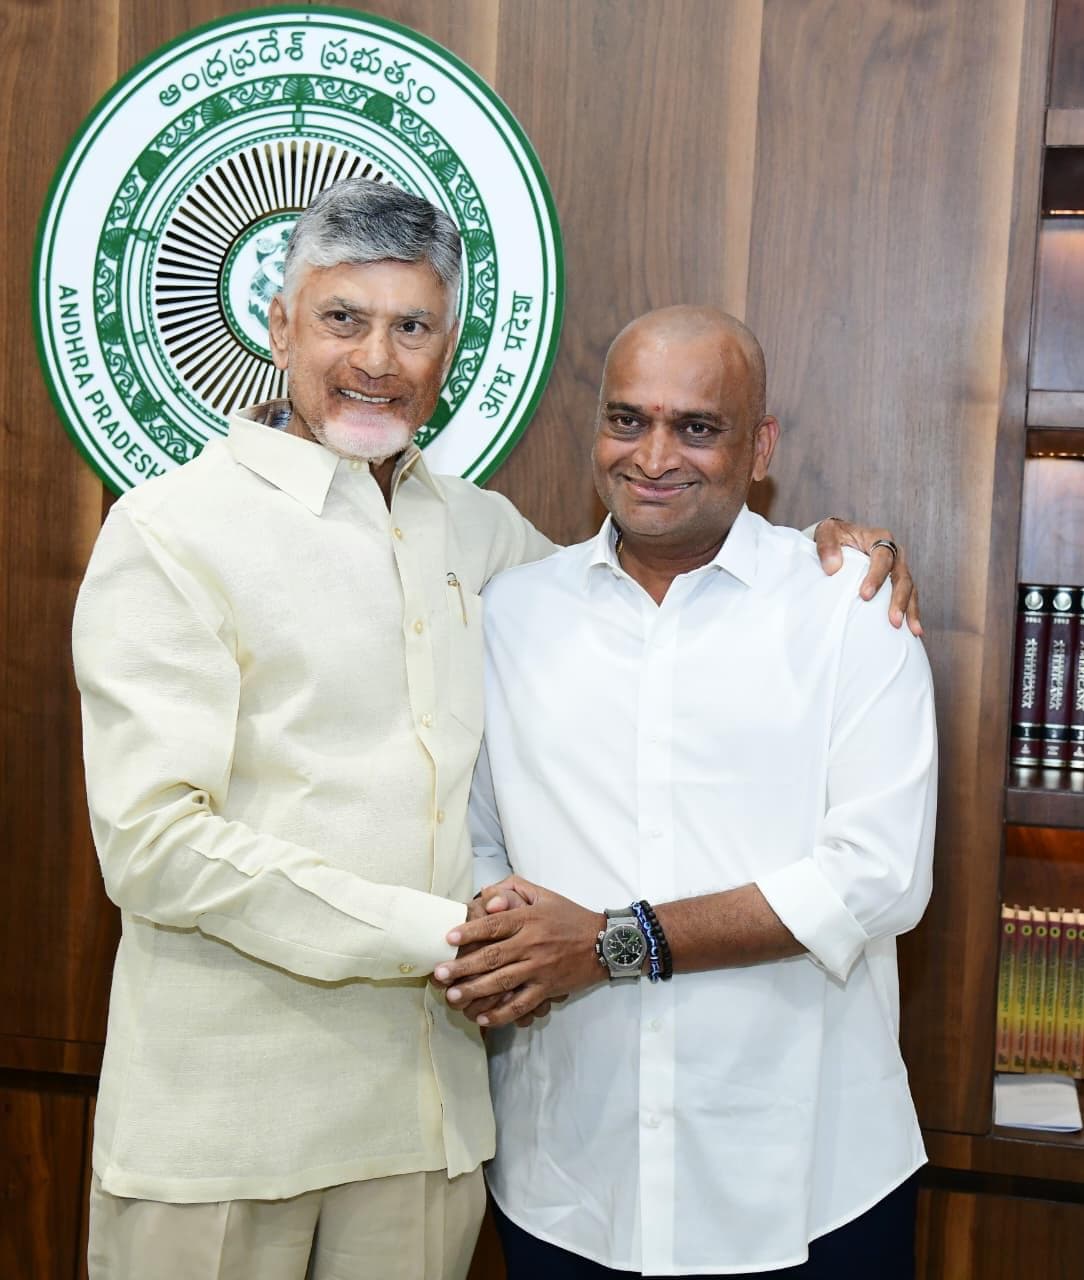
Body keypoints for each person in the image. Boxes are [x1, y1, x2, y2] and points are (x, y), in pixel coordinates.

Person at [72, 178, 917, 1280]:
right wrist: (456, 935)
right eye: (342, 318)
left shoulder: (489, 542)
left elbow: (659, 569)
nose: (377, 358)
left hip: (432, 1126)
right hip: (231, 1119)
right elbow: (152, 844)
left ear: (448, 350)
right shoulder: (170, 532)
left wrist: (824, 550)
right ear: (278, 325)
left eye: (412, 326)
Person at [435, 307, 937, 1278]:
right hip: (569, 1179)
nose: (652, 454)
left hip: (809, 1184)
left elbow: (874, 879)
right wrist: (505, 929)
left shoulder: (848, 605)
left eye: (695, 427)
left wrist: (608, 943)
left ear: (758, 447)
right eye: (627, 419)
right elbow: (475, 835)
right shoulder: (511, 612)